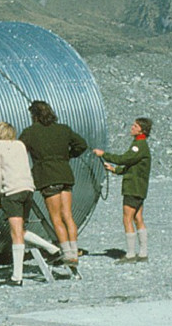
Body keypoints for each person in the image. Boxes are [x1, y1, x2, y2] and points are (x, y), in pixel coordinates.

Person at [19, 99, 87, 272]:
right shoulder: (63, 129)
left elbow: (18, 150)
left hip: (47, 176)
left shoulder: (30, 132)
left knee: (55, 217)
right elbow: (82, 145)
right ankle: (74, 251)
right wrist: (67, 156)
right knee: (68, 216)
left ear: (34, 115)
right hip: (65, 174)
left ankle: (67, 253)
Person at [94, 118, 153, 263]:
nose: (132, 128)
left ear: (141, 130)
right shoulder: (141, 146)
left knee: (127, 218)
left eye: (135, 126)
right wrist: (114, 170)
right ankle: (143, 253)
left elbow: (124, 159)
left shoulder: (138, 146)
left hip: (133, 188)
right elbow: (132, 166)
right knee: (138, 218)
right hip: (140, 188)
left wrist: (104, 154)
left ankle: (131, 254)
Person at [0, 121, 36, 286]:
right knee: (21, 230)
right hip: (27, 189)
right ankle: (52, 249)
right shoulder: (20, 145)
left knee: (16, 234)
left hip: (11, 191)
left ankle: (17, 276)